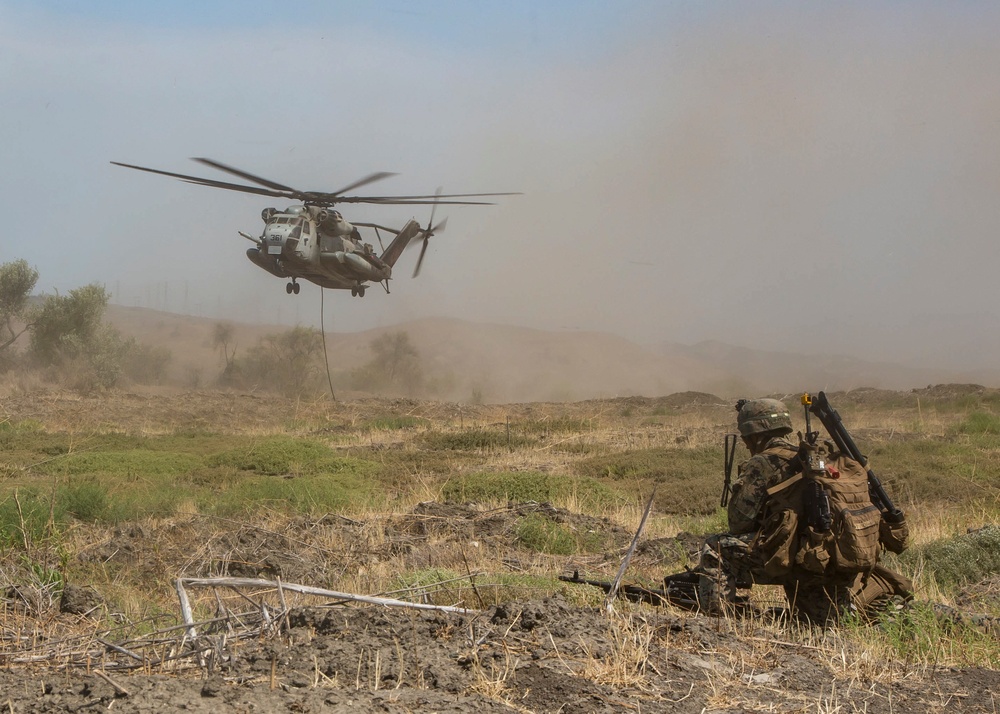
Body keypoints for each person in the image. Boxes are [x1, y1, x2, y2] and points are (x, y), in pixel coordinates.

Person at [675, 398, 913, 624]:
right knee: (822, 627)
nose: (747, 443)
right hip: (831, 560)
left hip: (797, 560)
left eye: (747, 438)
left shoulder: (764, 462)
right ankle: (897, 618)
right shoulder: (817, 459)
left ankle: (715, 623)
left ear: (756, 436)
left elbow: (739, 523)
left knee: (716, 549)